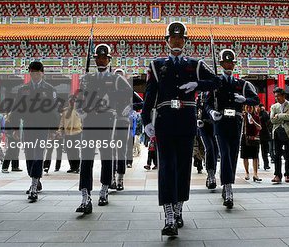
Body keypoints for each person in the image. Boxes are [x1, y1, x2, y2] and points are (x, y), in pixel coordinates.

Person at [142, 21, 219, 236]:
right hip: (165, 122)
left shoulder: (195, 64)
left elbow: (216, 81)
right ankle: (168, 216)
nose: (177, 41)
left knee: (183, 168)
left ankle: (178, 210)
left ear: (185, 41)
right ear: (167, 41)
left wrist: (198, 85)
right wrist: (146, 121)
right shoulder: (156, 65)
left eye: (180, 38)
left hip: (186, 120)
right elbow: (150, 96)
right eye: (173, 38)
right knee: (166, 167)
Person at [76, 43, 132, 214]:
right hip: (90, 121)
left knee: (107, 157)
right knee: (86, 158)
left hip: (108, 120)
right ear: (94, 59)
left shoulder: (115, 79)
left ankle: (104, 189)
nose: (101, 60)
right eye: (98, 57)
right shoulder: (86, 78)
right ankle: (85, 196)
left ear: (109, 60)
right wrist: (81, 112)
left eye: (104, 57)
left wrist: (123, 108)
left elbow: (129, 94)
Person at [204, 49, 260, 208]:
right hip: (220, 122)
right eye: (226, 62)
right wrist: (212, 112)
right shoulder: (215, 83)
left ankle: (227, 183)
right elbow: (206, 104)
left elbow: (255, 100)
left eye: (231, 62)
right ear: (221, 64)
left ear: (234, 64)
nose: (229, 65)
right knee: (225, 153)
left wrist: (245, 99)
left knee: (233, 155)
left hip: (235, 122)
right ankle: (228, 188)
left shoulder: (242, 84)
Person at [11, 61, 59, 202]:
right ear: (29, 73)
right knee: (29, 155)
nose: (35, 75)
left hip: (42, 127)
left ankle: (33, 186)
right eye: (32, 72)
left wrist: (53, 129)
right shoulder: (23, 89)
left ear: (42, 73)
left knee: (38, 154)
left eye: (38, 72)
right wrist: (15, 128)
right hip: (28, 127)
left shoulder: (50, 89)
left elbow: (54, 111)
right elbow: (16, 110)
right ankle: (36, 179)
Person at [270, 87, 289, 184]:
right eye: (275, 96)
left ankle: (288, 174)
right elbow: (272, 120)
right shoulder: (274, 107)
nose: (276, 98)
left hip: (288, 131)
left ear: (283, 96)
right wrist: (283, 116)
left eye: (278, 96)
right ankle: (277, 174)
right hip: (277, 131)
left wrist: (278, 115)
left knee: (288, 154)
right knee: (277, 154)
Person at [197, 92, 219, 189]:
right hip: (204, 125)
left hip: (216, 125)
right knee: (209, 148)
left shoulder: (217, 94)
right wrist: (196, 119)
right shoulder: (201, 95)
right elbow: (196, 108)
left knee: (215, 150)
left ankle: (212, 173)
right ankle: (210, 174)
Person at [57, 94, 82, 173]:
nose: (72, 102)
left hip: (77, 133)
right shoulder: (65, 111)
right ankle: (72, 167)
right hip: (68, 134)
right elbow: (62, 122)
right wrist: (60, 131)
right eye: (70, 100)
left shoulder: (79, 110)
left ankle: (77, 167)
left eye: (73, 100)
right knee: (69, 151)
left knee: (75, 150)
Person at [241, 105, 262, 182]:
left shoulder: (256, 116)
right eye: (247, 107)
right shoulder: (243, 116)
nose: (249, 109)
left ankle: (255, 174)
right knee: (245, 156)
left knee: (255, 156)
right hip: (245, 138)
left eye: (250, 107)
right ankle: (247, 173)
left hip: (254, 138)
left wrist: (254, 121)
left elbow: (260, 127)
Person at [257, 104, 272, 170]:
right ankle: (257, 164)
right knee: (256, 151)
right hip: (257, 134)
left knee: (264, 151)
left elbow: (268, 120)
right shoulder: (256, 114)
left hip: (264, 134)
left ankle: (266, 164)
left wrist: (263, 111)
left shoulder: (264, 114)